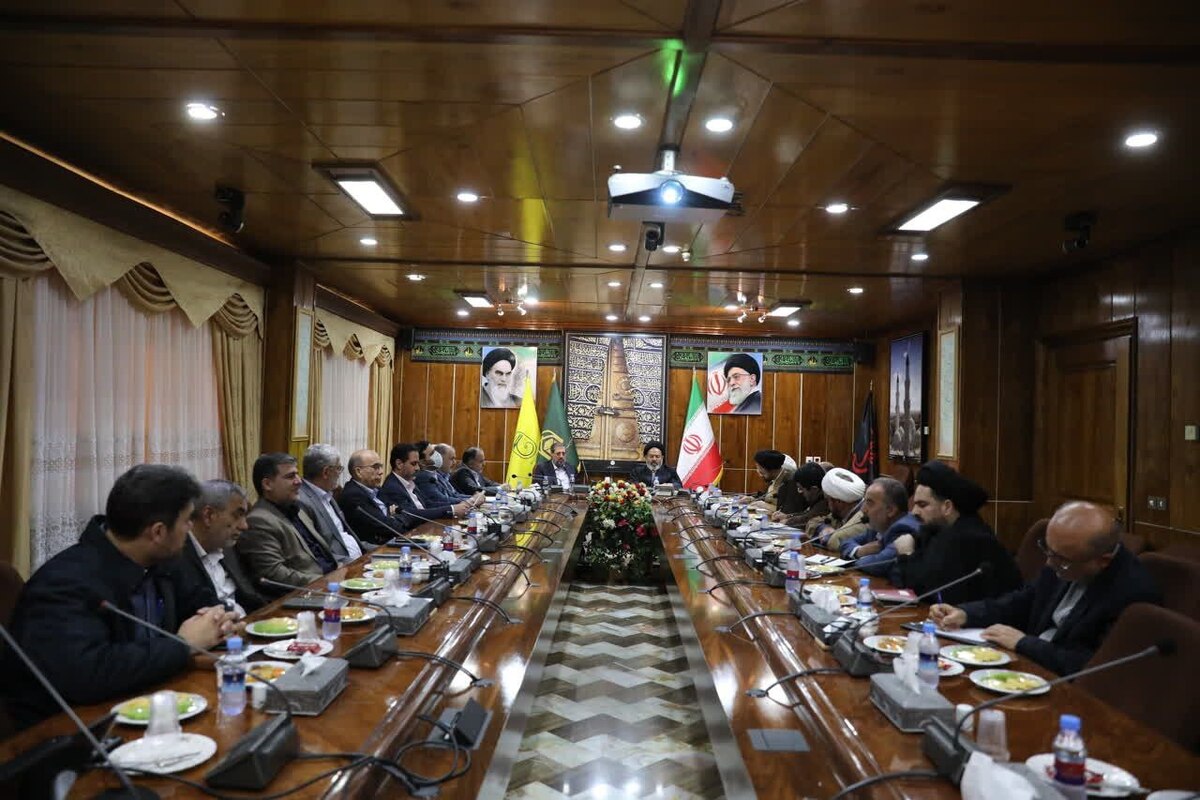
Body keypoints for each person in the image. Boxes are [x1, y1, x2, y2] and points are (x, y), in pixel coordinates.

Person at [3, 465, 236, 731]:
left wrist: (219, 619)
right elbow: (88, 674)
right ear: (158, 532)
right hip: (74, 729)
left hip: (154, 703)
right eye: (186, 521)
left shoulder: (162, 561)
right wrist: (182, 645)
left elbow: (201, 604)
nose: (190, 528)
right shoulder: (62, 584)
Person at [929, 501, 1161, 675]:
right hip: (1027, 664)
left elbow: (1094, 666)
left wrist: (1024, 643)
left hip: (1061, 682)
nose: (1049, 563)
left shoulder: (1132, 594)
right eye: (1048, 550)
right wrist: (967, 613)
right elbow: (1026, 600)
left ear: (1103, 561)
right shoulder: (1063, 557)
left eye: (1060, 559)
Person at [888, 461, 1022, 605]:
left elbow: (924, 591)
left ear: (947, 507)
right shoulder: (934, 531)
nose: (914, 511)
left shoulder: (969, 538)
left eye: (922, 505)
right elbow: (898, 577)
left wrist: (906, 555)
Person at [237, 453, 337, 593]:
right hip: (306, 594)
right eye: (290, 476)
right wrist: (326, 582)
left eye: (297, 474)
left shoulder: (297, 509)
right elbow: (273, 574)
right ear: (267, 484)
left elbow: (323, 554)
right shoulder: (258, 521)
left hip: (333, 580)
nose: (299, 481)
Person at [179, 479, 266, 618]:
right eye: (237, 515)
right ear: (208, 516)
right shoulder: (177, 558)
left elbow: (250, 597)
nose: (244, 526)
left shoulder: (226, 546)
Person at [299, 443, 369, 564]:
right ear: (326, 472)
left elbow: (345, 535)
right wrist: (356, 564)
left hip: (359, 559)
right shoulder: (303, 502)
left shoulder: (328, 495)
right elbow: (316, 552)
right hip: (342, 567)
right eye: (338, 469)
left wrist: (382, 550)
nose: (339, 473)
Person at [839, 477, 918, 575]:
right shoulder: (878, 527)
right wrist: (859, 551)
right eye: (864, 502)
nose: (863, 510)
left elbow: (878, 564)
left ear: (890, 510)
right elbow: (845, 542)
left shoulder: (904, 529)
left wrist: (853, 561)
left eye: (869, 503)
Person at [380, 442, 470, 526]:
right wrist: (451, 509)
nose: (418, 468)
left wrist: (454, 507)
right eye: (414, 464)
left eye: (418, 464)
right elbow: (412, 514)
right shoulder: (393, 487)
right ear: (399, 464)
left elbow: (428, 504)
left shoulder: (409, 481)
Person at [808, 467, 869, 550]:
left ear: (838, 501)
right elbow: (812, 522)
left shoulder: (862, 519)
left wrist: (827, 536)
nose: (827, 504)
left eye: (828, 500)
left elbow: (833, 541)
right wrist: (824, 528)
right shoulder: (841, 512)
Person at [416, 443, 481, 508]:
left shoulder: (438, 475)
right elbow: (440, 499)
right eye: (432, 454)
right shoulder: (424, 476)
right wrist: (471, 500)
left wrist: (473, 498)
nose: (454, 462)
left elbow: (453, 494)